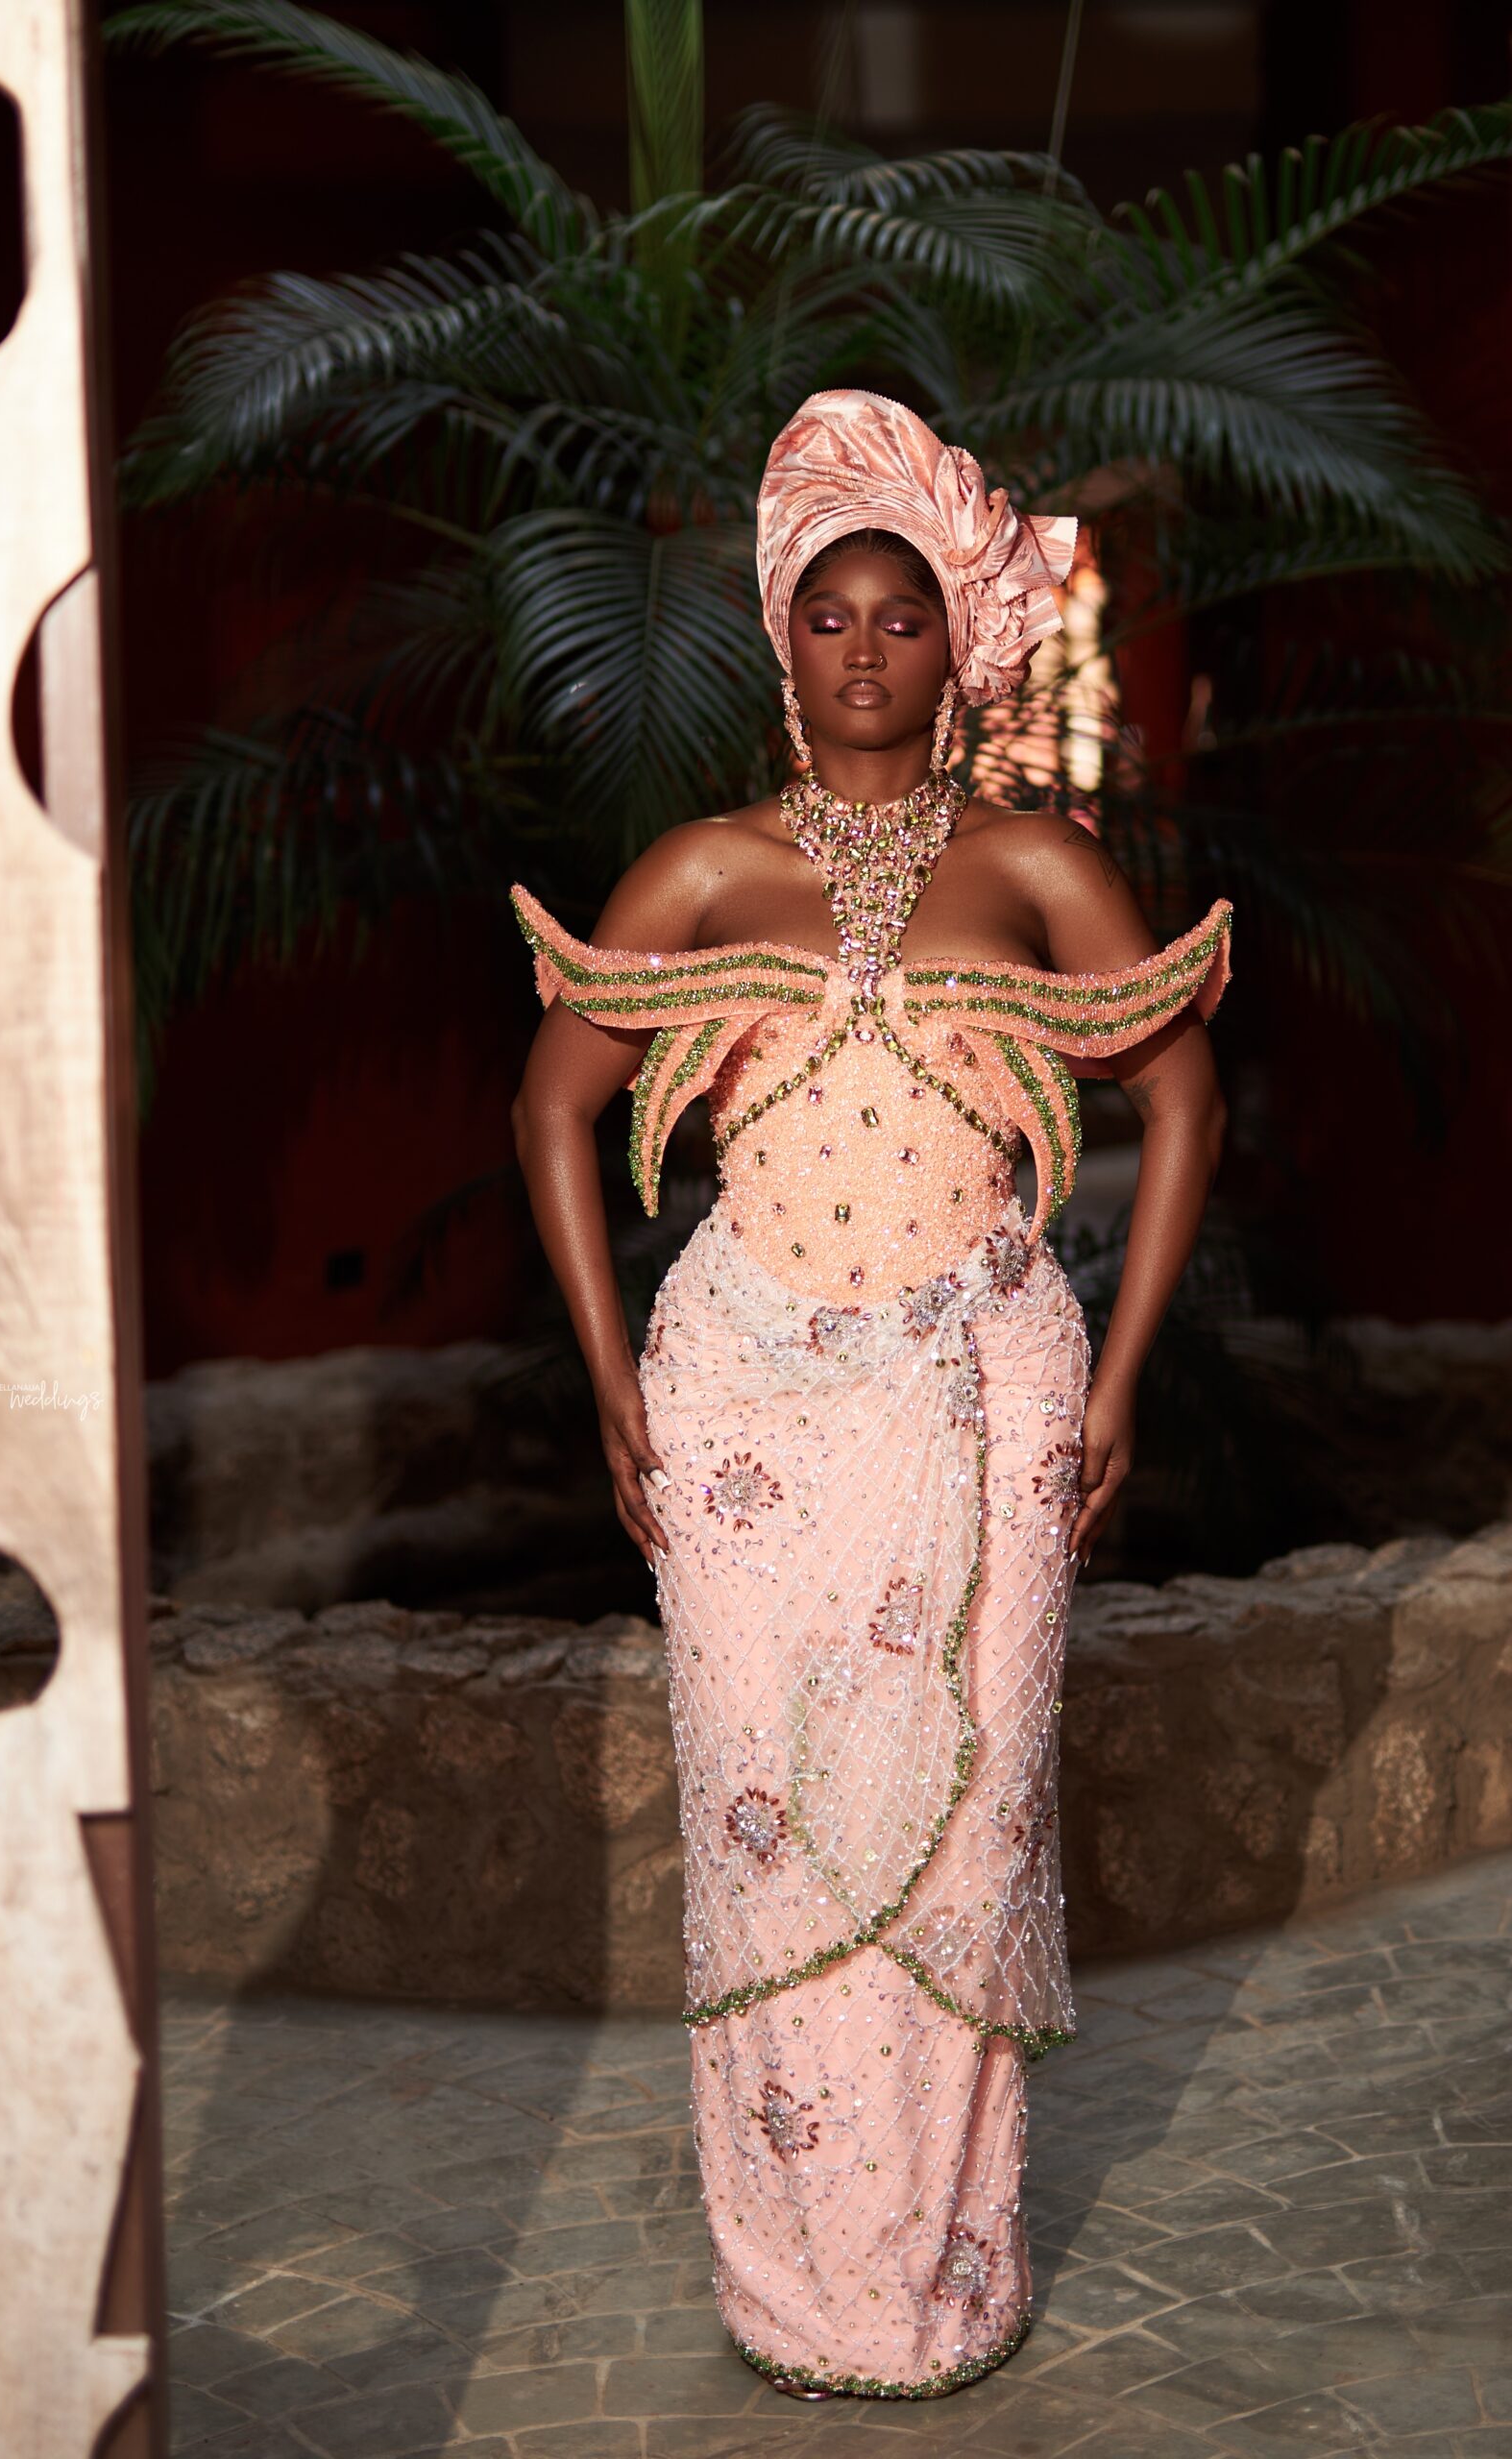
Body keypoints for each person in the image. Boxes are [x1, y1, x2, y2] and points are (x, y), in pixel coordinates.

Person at [508, 388, 1232, 2400]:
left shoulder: (1032, 866)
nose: (861, 652)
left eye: (901, 618)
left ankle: (945, 2284)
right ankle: (796, 2289)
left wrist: (1118, 1374)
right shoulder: (701, 871)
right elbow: (552, 1107)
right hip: (741, 1410)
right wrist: (610, 1386)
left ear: (954, 644)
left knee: (969, 1832)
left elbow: (1181, 1098)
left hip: (988, 1397)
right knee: (768, 1835)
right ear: (779, 633)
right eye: (825, 616)